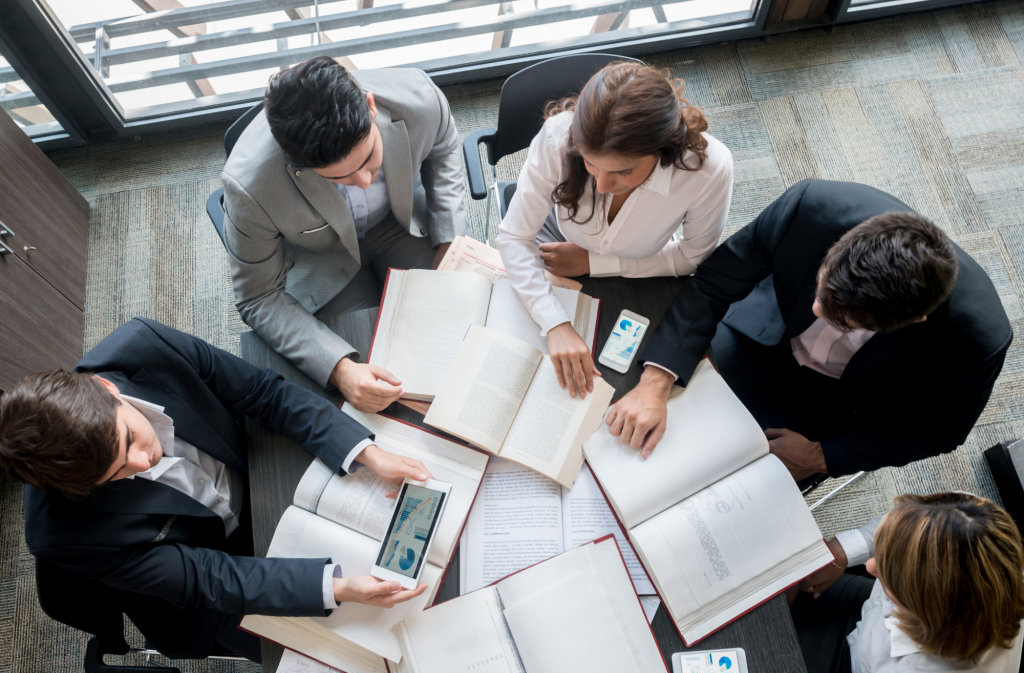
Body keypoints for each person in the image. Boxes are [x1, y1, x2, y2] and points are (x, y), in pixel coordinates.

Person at [0, 318, 434, 663]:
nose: (141, 463)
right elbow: (208, 577)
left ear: (106, 388)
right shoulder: (62, 536)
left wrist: (363, 452)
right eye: (114, 474)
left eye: (130, 439)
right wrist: (335, 587)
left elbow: (263, 394)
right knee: (353, 662)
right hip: (209, 583)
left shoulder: (143, 347)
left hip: (260, 480)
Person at [607, 179, 1012, 484]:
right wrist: (656, 381)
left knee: (735, 497)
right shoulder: (809, 210)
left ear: (912, 321)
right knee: (636, 417)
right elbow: (715, 280)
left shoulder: (977, 342)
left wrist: (822, 457)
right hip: (764, 335)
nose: (819, 308)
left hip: (842, 403)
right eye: (822, 288)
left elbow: (937, 432)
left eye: (841, 319)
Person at [222, 56, 468, 412]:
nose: (365, 181)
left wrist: (449, 242)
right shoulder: (249, 185)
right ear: (297, 164)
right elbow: (257, 298)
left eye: (369, 161)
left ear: (370, 106)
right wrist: (339, 370)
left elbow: (444, 148)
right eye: (341, 178)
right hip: (323, 261)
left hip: (404, 226)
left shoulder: (419, 97)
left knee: (456, 337)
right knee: (375, 383)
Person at [496, 62, 733, 399]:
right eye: (590, 163)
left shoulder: (708, 169)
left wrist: (596, 263)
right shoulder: (558, 138)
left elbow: (691, 258)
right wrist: (555, 324)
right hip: (558, 241)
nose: (603, 185)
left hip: (647, 271)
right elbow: (515, 237)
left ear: (662, 149)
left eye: (623, 172)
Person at [789, 492, 1024, 673]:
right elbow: (902, 525)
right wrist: (842, 553)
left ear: (925, 614)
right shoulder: (968, 521)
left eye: (893, 588)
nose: (870, 566)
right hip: (864, 631)